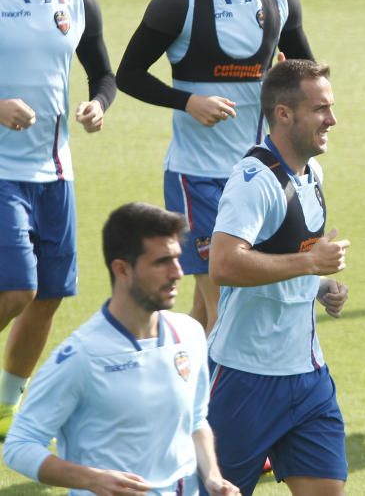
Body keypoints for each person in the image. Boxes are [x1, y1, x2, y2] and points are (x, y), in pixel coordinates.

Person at [116, 0, 314, 333]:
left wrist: (285, 85)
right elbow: (126, 75)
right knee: (227, 309)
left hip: (259, 174)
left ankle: (166, 384)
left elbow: (307, 75)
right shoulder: (179, 2)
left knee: (206, 316)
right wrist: (187, 101)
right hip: (199, 177)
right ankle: (215, 404)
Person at [3, 202, 239, 495]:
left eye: (177, 259)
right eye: (162, 262)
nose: (177, 272)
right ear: (122, 269)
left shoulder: (189, 334)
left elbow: (195, 418)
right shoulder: (81, 356)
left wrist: (213, 477)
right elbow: (19, 445)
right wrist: (91, 479)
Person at [0, 0, 116, 436]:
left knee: (47, 297)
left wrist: (97, 105)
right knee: (16, 289)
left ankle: (4, 406)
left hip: (56, 173)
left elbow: (104, 74)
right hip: (2, 173)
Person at [207, 59, 350, 495]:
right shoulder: (253, 180)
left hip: (307, 376)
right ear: (284, 114)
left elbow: (284, 256)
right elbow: (224, 264)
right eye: (321, 109)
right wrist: (309, 265)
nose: (333, 119)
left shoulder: (312, 173)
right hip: (244, 378)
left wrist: (319, 285)